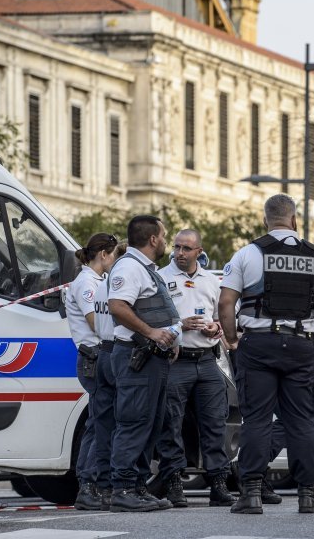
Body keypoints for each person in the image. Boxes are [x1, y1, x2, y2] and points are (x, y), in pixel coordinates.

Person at [218, 194, 314, 515]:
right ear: (294, 220)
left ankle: (252, 494)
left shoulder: (248, 254)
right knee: (301, 421)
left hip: (258, 344)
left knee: (257, 419)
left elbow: (226, 303)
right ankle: (307, 495)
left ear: (265, 220)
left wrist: (232, 338)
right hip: (301, 346)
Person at [153, 229, 236, 508]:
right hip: (175, 361)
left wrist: (215, 328)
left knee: (214, 423)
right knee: (171, 424)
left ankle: (219, 483)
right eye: (176, 247)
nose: (179, 253)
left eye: (186, 248)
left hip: (207, 360)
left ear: (199, 251)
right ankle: (174, 481)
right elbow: (150, 321)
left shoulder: (211, 281)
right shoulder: (161, 278)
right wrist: (179, 327)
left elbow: (219, 319)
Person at [107, 215, 180, 513]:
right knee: (134, 422)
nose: (165, 241)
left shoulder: (144, 269)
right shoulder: (129, 267)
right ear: (152, 239)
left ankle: (137, 486)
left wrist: (169, 341)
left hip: (153, 357)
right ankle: (123, 488)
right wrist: (151, 333)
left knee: (148, 425)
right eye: (163, 235)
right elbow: (117, 306)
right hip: (137, 357)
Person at [65, 233, 120, 510]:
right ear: (103, 254)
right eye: (114, 255)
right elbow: (95, 322)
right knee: (99, 425)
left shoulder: (95, 280)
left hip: (98, 357)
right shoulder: (87, 282)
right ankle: (88, 486)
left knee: (99, 423)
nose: (115, 261)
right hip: (94, 357)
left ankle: (91, 484)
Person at [91, 240, 127, 510]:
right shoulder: (122, 287)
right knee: (126, 424)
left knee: (103, 426)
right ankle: (120, 485)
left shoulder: (103, 285)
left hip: (102, 352)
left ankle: (102, 486)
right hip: (117, 353)